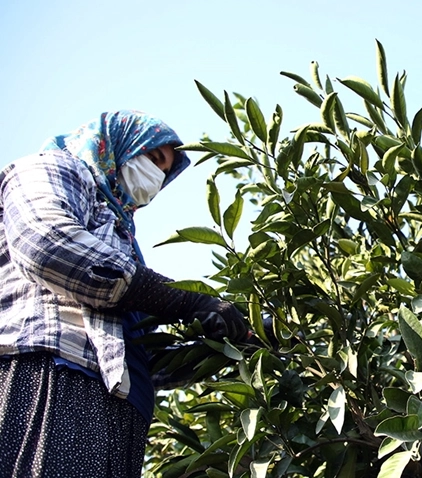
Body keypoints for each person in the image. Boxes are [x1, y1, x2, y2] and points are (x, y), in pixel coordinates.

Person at [0, 110, 253, 477]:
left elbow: (144, 356)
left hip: (119, 408)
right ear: (120, 144)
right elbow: (47, 245)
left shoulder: (122, 239)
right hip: (53, 369)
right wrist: (184, 299)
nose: (156, 175)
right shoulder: (54, 168)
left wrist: (231, 345)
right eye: (153, 158)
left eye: (164, 171)